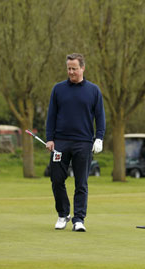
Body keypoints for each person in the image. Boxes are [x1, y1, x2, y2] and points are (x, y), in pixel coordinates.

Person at [45, 53, 106, 232]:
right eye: (69, 68)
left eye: (74, 68)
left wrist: (99, 137)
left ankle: (79, 219)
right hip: (60, 142)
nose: (71, 72)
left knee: (81, 183)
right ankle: (63, 214)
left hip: (84, 143)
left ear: (82, 68)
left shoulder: (93, 90)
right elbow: (51, 116)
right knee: (56, 180)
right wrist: (49, 138)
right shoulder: (58, 89)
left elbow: (100, 117)